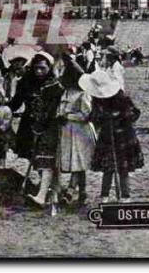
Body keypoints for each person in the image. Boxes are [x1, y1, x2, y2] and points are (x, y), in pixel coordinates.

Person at [82, 70, 144, 203]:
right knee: (108, 168)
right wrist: (98, 117)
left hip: (124, 137)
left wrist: (120, 116)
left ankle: (125, 195)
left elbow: (135, 113)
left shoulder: (122, 97)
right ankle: (104, 195)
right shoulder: (97, 100)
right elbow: (94, 117)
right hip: (107, 137)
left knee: (123, 167)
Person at [11, 52, 63, 207]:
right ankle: (49, 187)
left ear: (50, 67)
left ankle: (50, 189)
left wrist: (45, 121)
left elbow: (56, 108)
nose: (39, 72)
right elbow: (16, 101)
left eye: (42, 68)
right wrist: (4, 109)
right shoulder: (26, 82)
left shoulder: (55, 86)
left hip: (48, 126)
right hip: (29, 124)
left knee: (46, 157)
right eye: (36, 68)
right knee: (32, 156)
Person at [58, 55, 96, 207]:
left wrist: (68, 116)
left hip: (81, 132)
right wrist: (59, 115)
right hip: (68, 131)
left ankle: (71, 190)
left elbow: (86, 115)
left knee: (79, 161)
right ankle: (83, 192)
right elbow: (61, 108)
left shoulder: (83, 94)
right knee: (77, 163)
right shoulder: (66, 92)